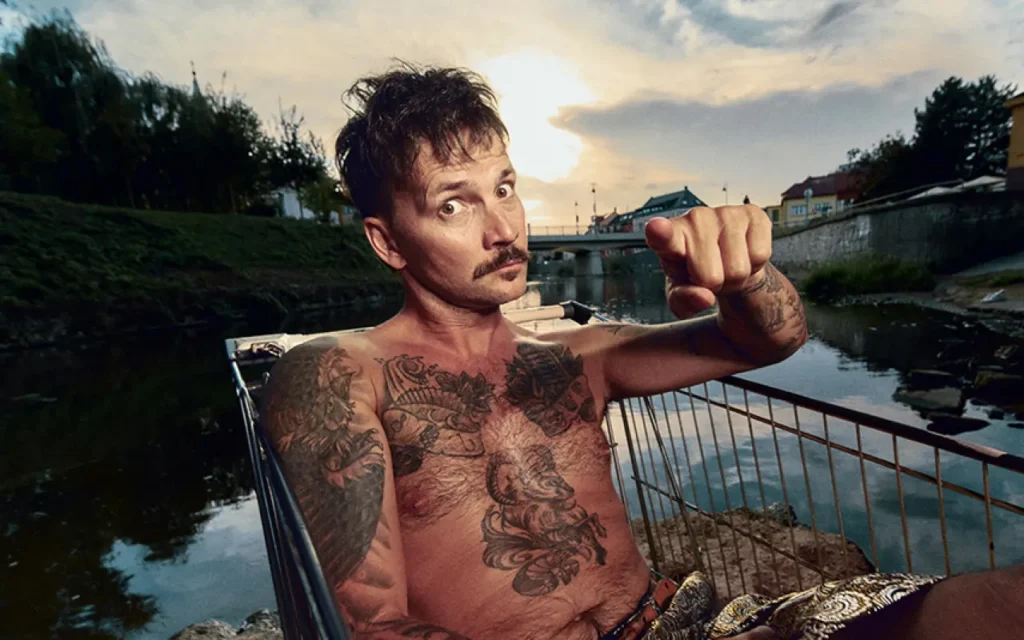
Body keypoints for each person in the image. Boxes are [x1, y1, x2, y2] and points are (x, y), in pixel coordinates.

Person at [260, 64, 1022, 639]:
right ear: (387, 241)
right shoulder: (335, 373)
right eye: (454, 203)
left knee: (1001, 604)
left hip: (677, 623)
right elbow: (364, 625)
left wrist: (745, 277)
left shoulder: (575, 358)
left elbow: (773, 337)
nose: (502, 229)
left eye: (505, 187)